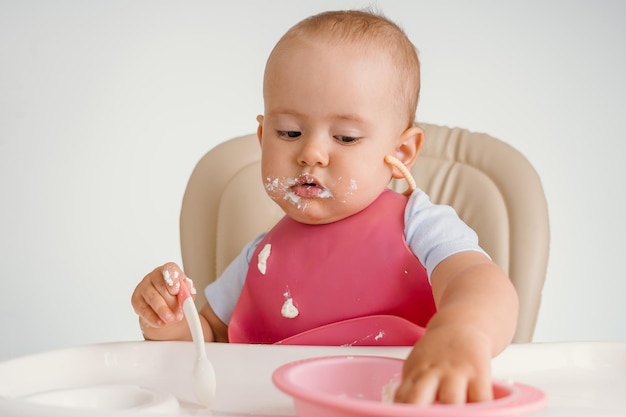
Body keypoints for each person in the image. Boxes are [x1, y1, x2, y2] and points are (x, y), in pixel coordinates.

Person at [131, 9, 519, 405]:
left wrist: (461, 333)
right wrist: (168, 321)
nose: (311, 153)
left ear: (400, 151)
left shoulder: (419, 225)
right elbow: (206, 346)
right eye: (289, 132)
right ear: (263, 137)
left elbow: (479, 282)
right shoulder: (261, 258)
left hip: (397, 402)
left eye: (346, 137)